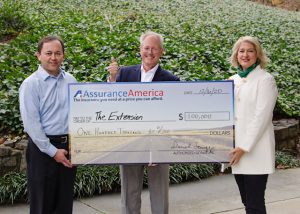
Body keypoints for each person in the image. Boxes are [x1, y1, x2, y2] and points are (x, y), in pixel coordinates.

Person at [108, 31, 180, 214]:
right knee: (129, 195)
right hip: (130, 143)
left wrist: (160, 146)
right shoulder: (123, 73)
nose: (150, 52)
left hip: (159, 145)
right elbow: (112, 103)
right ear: (140, 50)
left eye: (154, 48)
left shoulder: (172, 80)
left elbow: (173, 115)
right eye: (146, 48)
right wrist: (112, 80)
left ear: (161, 52)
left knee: (159, 195)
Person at [19, 35, 77, 214]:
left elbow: (81, 114)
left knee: (64, 204)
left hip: (68, 148)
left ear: (63, 55)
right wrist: (53, 152)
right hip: (42, 151)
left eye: (58, 53)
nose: (53, 57)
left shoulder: (71, 81)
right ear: (38, 55)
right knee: (42, 205)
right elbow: (32, 125)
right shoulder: (31, 85)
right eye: (48, 53)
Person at [229, 36, 278, 214]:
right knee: (246, 201)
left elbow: (261, 117)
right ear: (236, 55)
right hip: (236, 152)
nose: (245, 54)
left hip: (255, 151)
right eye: (241, 51)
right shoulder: (232, 80)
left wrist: (243, 147)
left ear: (257, 54)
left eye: (250, 51)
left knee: (255, 204)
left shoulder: (266, 80)